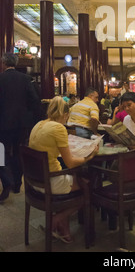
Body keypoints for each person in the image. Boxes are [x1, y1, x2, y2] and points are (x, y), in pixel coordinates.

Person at [29, 96, 98, 243]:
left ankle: (64, 231)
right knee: (89, 187)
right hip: (51, 181)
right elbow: (72, 163)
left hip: (34, 182)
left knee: (73, 178)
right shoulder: (58, 128)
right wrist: (89, 156)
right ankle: (55, 220)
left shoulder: (39, 124)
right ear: (66, 114)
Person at [0, 53, 40, 202]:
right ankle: (17, 183)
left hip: (3, 123)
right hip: (22, 124)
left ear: (3, 63)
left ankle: (6, 181)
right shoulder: (25, 79)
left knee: (2, 153)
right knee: (17, 152)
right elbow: (34, 100)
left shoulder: (0, 79)